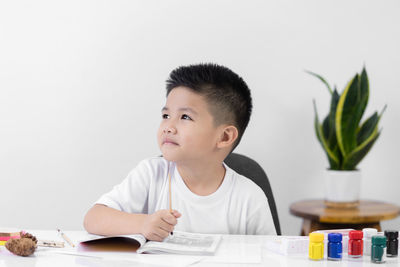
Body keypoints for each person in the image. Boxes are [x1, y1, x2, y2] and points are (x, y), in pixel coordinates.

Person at [84, 63, 276, 241]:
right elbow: (93, 218)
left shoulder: (249, 198)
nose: (168, 126)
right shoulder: (151, 174)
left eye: (185, 117)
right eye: (166, 115)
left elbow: (272, 257)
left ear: (225, 137)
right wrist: (143, 223)